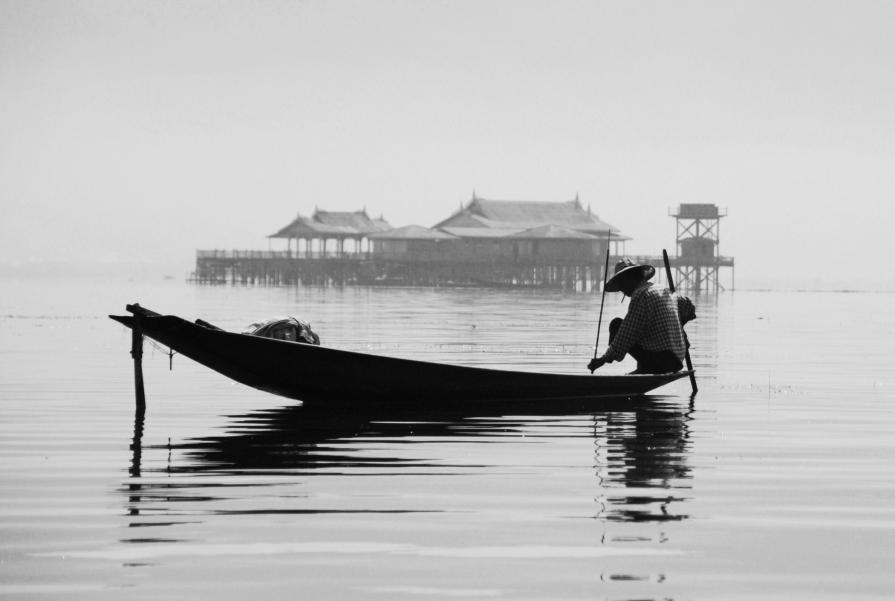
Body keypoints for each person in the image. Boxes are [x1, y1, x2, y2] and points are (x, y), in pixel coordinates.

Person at [588, 258, 691, 374]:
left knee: (616, 325)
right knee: (642, 330)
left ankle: (647, 367)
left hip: (663, 361)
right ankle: (643, 367)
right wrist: (679, 325)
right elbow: (689, 307)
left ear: (629, 279)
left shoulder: (641, 294)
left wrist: (603, 359)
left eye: (621, 283)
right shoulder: (663, 289)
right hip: (677, 359)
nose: (621, 289)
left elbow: (626, 334)